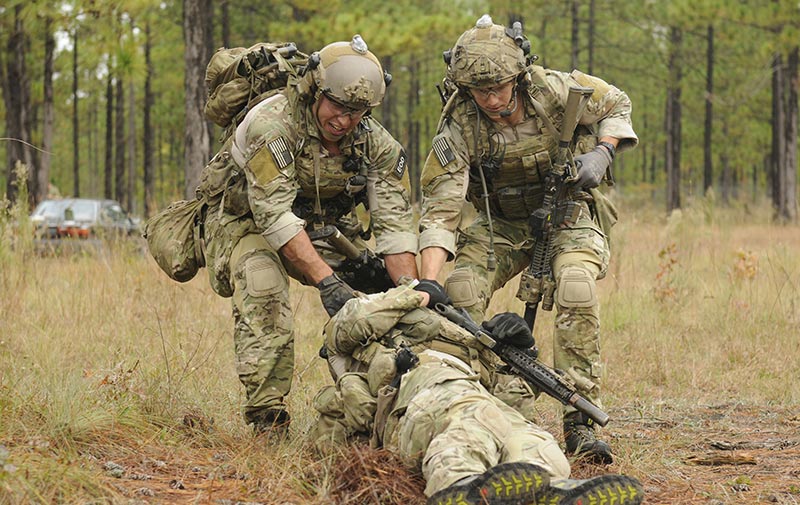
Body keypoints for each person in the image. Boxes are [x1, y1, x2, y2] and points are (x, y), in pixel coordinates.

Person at [417, 15, 638, 463]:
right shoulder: (458, 126)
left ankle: (579, 422)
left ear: (517, 77)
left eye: (500, 87)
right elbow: (441, 210)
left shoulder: (554, 90)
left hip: (568, 211)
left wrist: (603, 150)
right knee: (458, 292)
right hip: (500, 222)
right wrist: (427, 283)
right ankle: (471, 407)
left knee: (576, 286)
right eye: (480, 92)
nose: (493, 99)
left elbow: (617, 102)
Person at [194, 35, 418, 434]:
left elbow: (396, 230)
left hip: (322, 228)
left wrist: (410, 291)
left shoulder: (377, 144)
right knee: (264, 282)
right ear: (315, 91)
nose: (344, 120)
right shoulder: (274, 125)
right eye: (337, 106)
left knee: (381, 301)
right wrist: (329, 283)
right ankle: (267, 415)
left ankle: (377, 405)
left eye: (357, 111)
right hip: (245, 221)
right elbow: (275, 216)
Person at [310, 285, 644, 505]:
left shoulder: (460, 331)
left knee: (540, 447)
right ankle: (458, 486)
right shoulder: (373, 317)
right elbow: (345, 326)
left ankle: (554, 492)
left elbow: (513, 401)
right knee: (473, 417)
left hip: (472, 396)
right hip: (415, 388)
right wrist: (416, 294)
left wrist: (523, 348)